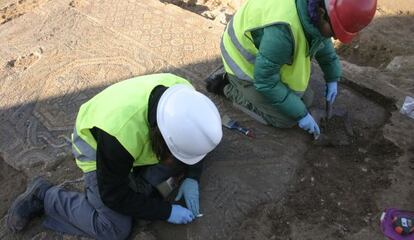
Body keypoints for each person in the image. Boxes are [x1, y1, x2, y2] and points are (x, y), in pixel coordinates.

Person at [7, 73, 223, 239]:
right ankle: (45, 196)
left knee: (165, 175)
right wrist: (165, 211)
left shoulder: (185, 98)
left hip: (134, 141)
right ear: (162, 137)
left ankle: (142, 182)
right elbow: (114, 195)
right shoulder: (119, 135)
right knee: (113, 228)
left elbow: (199, 140)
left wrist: (192, 176)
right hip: (97, 146)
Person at [207, 0, 376, 136]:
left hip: (266, 57)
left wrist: (332, 76)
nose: (333, 37)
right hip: (243, 63)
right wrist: (300, 115)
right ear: (322, 13)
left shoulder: (313, 10)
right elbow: (265, 81)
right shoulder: (282, 32)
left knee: (306, 99)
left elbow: (322, 41)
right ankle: (228, 86)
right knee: (286, 119)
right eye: (334, 32)